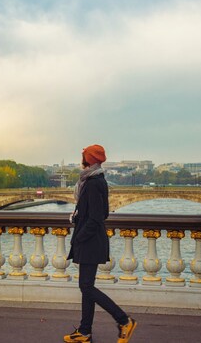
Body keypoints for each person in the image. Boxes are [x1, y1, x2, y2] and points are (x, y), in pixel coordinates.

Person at [64, 144, 137, 343]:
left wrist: (79, 237)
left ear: (88, 159)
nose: (81, 159)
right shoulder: (92, 180)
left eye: (83, 156)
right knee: (86, 287)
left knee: (86, 287)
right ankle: (84, 331)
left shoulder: (94, 182)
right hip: (90, 240)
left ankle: (124, 320)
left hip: (90, 242)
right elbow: (98, 213)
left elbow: (97, 217)